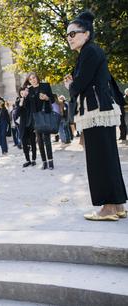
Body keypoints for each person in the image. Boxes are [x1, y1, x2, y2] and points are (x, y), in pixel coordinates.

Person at [64, 11, 127, 221]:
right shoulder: (90, 52)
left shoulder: (89, 52)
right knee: (107, 157)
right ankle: (117, 205)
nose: (69, 38)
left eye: (73, 33)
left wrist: (69, 86)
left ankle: (109, 207)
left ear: (87, 34)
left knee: (99, 159)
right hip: (100, 111)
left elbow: (79, 85)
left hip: (96, 111)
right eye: (67, 35)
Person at [22, 72, 55, 170]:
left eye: (34, 78)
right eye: (30, 79)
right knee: (39, 141)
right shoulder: (29, 90)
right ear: (29, 81)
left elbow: (52, 100)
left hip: (45, 115)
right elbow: (26, 107)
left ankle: (50, 162)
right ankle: (44, 162)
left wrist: (46, 98)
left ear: (37, 78)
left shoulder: (45, 86)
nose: (33, 80)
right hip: (35, 118)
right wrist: (24, 96)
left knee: (47, 139)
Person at [17, 87, 37, 167]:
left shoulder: (31, 100)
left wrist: (27, 98)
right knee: (24, 143)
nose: (23, 94)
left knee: (33, 142)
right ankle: (27, 160)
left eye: (24, 93)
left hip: (31, 124)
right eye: (21, 93)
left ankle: (33, 159)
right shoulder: (19, 102)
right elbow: (17, 113)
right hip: (23, 125)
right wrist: (20, 104)